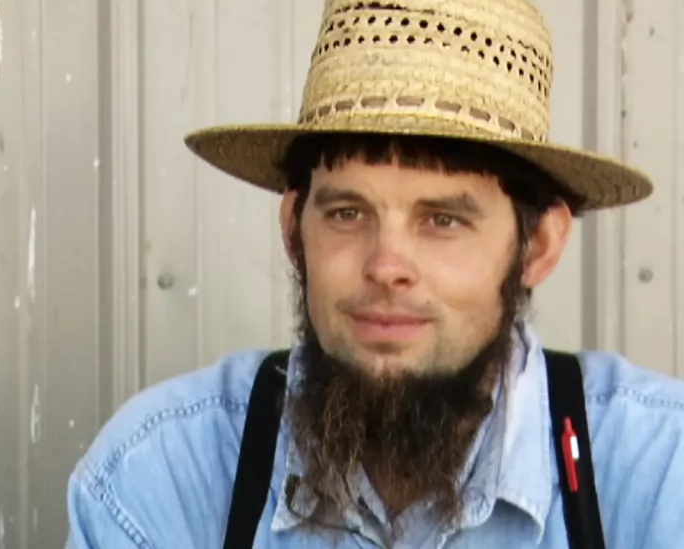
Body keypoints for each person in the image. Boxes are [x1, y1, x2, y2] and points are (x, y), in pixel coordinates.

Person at [65, 0, 684, 547]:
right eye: (347, 212)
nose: (386, 267)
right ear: (294, 231)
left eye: (442, 220)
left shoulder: (660, 473)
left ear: (537, 247)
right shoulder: (162, 475)